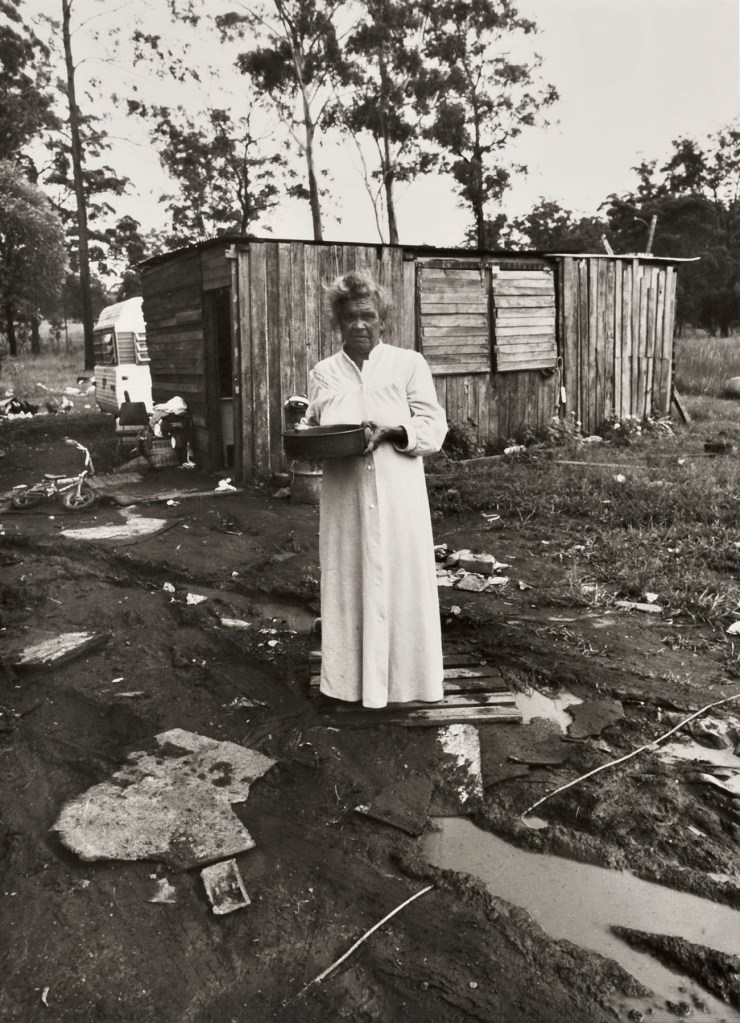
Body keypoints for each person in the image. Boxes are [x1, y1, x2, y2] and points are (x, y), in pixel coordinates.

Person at [304, 270, 448, 709]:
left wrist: (395, 431)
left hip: (398, 494)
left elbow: (433, 427)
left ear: (382, 319)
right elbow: (313, 425)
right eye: (350, 317)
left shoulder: (408, 364)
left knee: (403, 583)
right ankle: (349, 685)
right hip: (345, 496)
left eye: (367, 316)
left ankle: (410, 685)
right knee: (348, 581)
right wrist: (306, 432)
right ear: (338, 322)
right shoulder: (324, 373)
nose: (359, 325)